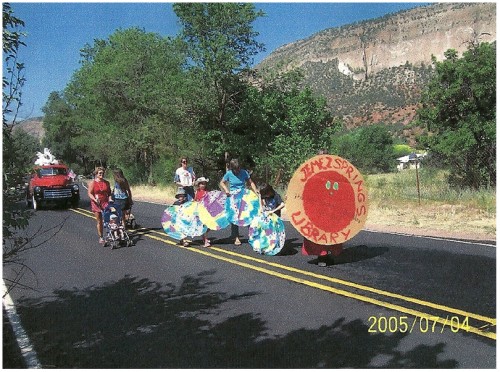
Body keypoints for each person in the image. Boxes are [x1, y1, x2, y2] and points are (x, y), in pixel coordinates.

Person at [219, 158, 259, 246]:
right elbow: (222, 183)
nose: (237, 170)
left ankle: (252, 235)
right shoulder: (229, 173)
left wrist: (255, 190)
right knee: (235, 217)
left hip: (243, 196)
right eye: (235, 169)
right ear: (232, 168)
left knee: (249, 214)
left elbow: (250, 182)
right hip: (233, 198)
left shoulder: (244, 172)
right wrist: (226, 190)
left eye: (238, 168)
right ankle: (236, 237)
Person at [88, 166, 112, 244]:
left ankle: (110, 234)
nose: (102, 174)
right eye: (100, 173)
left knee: (109, 219)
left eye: (103, 173)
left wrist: (110, 199)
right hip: (96, 203)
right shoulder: (93, 183)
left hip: (105, 202)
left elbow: (109, 193)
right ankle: (101, 237)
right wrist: (95, 199)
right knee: (99, 221)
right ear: (96, 174)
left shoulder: (106, 183)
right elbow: (90, 193)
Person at [194, 177, 211, 247]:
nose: (203, 185)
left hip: (206, 210)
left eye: (204, 184)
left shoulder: (207, 192)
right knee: (203, 225)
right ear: (198, 185)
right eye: (201, 184)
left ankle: (204, 237)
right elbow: (195, 200)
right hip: (199, 210)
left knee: (209, 226)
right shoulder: (197, 192)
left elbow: (209, 200)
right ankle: (206, 240)